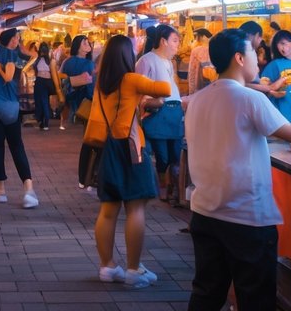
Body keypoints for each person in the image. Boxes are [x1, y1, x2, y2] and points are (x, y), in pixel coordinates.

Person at [186, 29, 291, 311]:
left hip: (205, 213)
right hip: (246, 219)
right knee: (256, 300)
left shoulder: (199, 99)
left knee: (206, 294)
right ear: (239, 58)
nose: (258, 60)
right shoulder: (249, 99)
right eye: (253, 53)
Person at [86, 34, 171, 288]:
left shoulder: (102, 83)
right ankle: (134, 269)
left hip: (108, 148)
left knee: (108, 209)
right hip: (131, 148)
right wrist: (163, 61)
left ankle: (107, 266)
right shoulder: (131, 80)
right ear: (127, 56)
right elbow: (165, 89)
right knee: (135, 208)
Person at [0, 28, 39, 209]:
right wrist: (1, 69)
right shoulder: (10, 55)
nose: (19, 40)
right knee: (17, 147)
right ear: (11, 39)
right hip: (11, 107)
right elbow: (8, 77)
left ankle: (0, 191)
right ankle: (28, 188)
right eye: (17, 37)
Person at [136, 24, 185, 206]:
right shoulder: (146, 60)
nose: (177, 45)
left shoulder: (169, 63)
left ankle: (173, 189)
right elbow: (139, 89)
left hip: (174, 112)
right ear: (163, 41)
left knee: (175, 154)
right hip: (158, 113)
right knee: (162, 155)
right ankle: (163, 188)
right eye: (175, 41)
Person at [61, 35, 96, 130]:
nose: (88, 44)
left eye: (88, 42)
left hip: (70, 98)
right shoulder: (89, 64)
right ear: (77, 47)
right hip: (85, 100)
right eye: (84, 43)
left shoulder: (67, 62)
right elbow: (92, 86)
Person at [185, 29, 213, 95]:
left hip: (199, 85)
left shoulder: (196, 51)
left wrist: (191, 92)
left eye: (198, 36)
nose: (197, 38)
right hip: (213, 85)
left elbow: (192, 71)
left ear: (203, 37)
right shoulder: (215, 49)